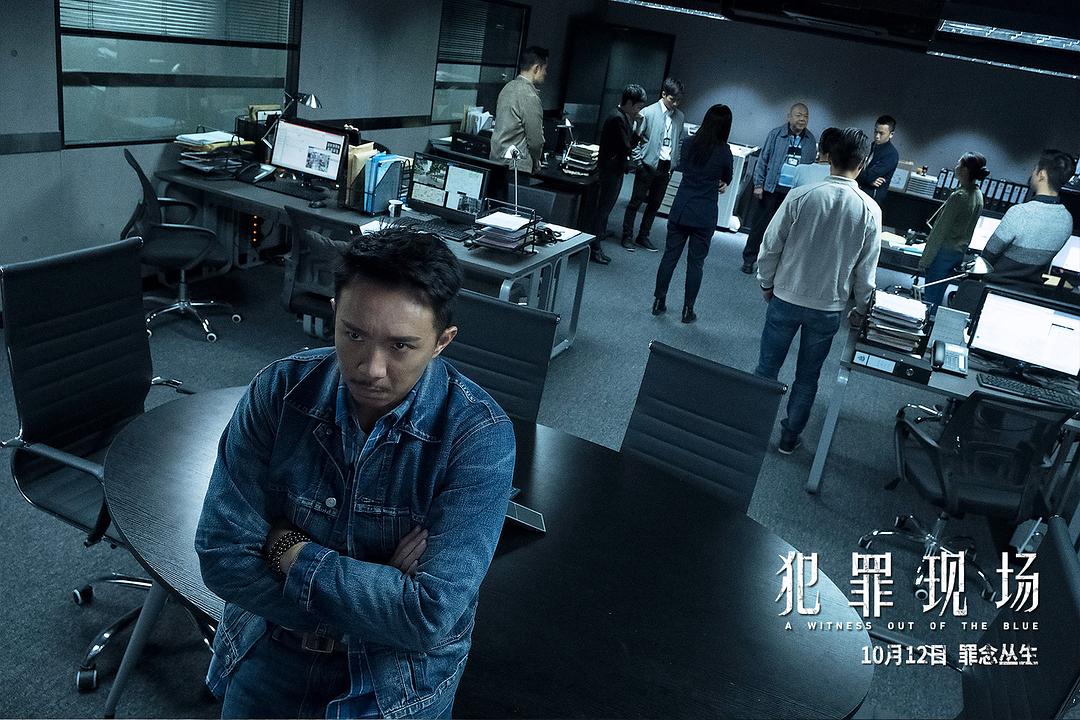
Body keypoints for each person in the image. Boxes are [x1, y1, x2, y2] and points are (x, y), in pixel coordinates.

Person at [195, 228, 516, 719]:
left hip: (396, 682)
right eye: (354, 335)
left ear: (441, 342)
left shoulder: (478, 435)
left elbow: (429, 614)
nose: (371, 368)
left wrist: (287, 550)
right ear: (334, 314)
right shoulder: (280, 390)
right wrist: (381, 589)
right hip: (271, 649)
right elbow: (222, 556)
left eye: (401, 345)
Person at [754, 128, 881, 455]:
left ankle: (752, 429)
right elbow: (866, 271)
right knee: (807, 378)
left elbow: (770, 246)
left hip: (785, 296)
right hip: (828, 306)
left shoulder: (801, 196)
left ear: (829, 157)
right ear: (863, 163)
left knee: (767, 368)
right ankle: (788, 438)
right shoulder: (870, 210)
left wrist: (767, 283)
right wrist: (862, 308)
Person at [652, 104, 734, 323]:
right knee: (696, 264)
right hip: (704, 213)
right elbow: (727, 177)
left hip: (681, 208)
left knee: (670, 257)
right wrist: (720, 183)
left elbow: (682, 166)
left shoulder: (689, 144)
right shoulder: (724, 151)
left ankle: (658, 301)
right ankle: (688, 310)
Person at [980, 149, 1076, 286]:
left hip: (994, 286)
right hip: (1029, 291)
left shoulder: (1020, 212)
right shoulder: (1067, 219)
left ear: (1042, 174)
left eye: (1035, 169)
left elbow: (987, 257)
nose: (1032, 173)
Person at [740, 103, 816, 274]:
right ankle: (749, 260)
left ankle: (775, 267)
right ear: (789, 117)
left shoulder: (810, 140)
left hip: (794, 193)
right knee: (760, 227)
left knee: (785, 232)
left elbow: (810, 168)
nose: (802, 119)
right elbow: (763, 160)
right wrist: (758, 185)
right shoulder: (776, 134)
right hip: (771, 189)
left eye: (805, 116)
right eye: (798, 115)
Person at [621, 78, 686, 252]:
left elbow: (679, 141)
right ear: (664, 94)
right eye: (673, 99)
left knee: (654, 204)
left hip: (666, 166)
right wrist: (638, 162)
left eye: (679, 100)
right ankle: (627, 236)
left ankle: (643, 236)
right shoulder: (648, 112)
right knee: (635, 202)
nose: (675, 104)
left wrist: (675, 161)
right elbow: (635, 139)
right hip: (647, 165)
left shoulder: (679, 117)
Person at [919, 152, 989, 312]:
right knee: (938, 296)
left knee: (930, 299)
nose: (956, 167)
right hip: (957, 254)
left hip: (942, 253)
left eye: (959, 164)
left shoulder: (959, 196)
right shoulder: (978, 195)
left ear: (965, 170)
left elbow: (939, 231)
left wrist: (925, 260)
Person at [592, 83, 648, 265]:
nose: (639, 111)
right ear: (629, 103)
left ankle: (598, 239)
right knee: (603, 209)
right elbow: (627, 147)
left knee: (605, 208)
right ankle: (595, 248)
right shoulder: (618, 118)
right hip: (610, 170)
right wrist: (638, 127)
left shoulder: (622, 116)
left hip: (613, 169)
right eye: (638, 106)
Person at [489, 46, 549, 174]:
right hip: (516, 165)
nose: (546, 73)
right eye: (545, 69)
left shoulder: (507, 88)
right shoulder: (529, 95)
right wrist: (536, 161)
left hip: (496, 159)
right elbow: (535, 140)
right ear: (537, 68)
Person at [856, 114, 899, 203]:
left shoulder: (891, 154)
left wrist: (864, 177)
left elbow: (868, 175)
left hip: (872, 198)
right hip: (859, 192)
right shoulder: (869, 146)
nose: (877, 136)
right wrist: (869, 181)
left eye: (881, 133)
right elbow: (854, 167)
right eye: (876, 132)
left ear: (891, 134)